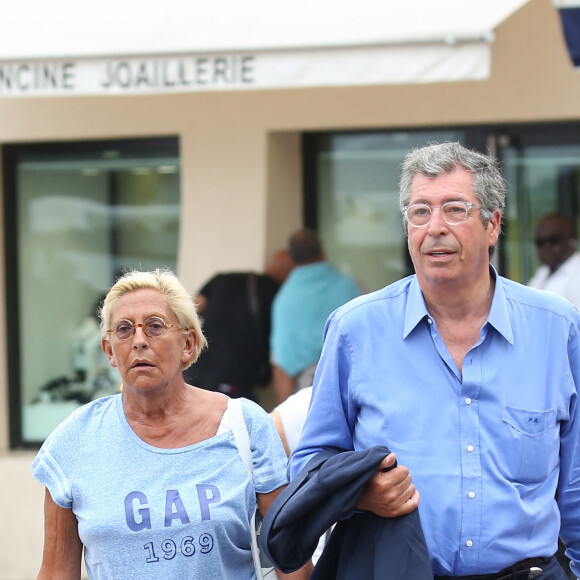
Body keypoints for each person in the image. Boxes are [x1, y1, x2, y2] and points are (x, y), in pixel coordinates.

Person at [289, 142, 580, 579]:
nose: (435, 227)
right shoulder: (355, 329)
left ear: (493, 224)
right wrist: (362, 492)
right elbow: (310, 463)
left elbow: (576, 485)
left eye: (455, 210)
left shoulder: (557, 328)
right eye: (419, 212)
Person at [31, 268, 308, 579]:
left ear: (188, 344)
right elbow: (57, 572)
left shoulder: (245, 425)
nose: (138, 341)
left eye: (155, 326)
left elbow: (292, 562)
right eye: (123, 329)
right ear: (109, 350)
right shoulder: (74, 440)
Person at [184, 249, 294, 401]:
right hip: (235, 377)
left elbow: (191, 310)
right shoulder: (277, 294)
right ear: (288, 274)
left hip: (196, 367)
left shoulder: (223, 278)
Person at [270, 229, 359, 403]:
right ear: (322, 254)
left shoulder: (283, 300)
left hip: (305, 395)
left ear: (292, 259)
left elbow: (281, 361)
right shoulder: (350, 286)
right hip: (349, 387)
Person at [528, 212, 580, 310]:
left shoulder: (577, 273)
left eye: (554, 240)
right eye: (540, 242)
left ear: (572, 241)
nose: (547, 247)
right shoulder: (542, 272)